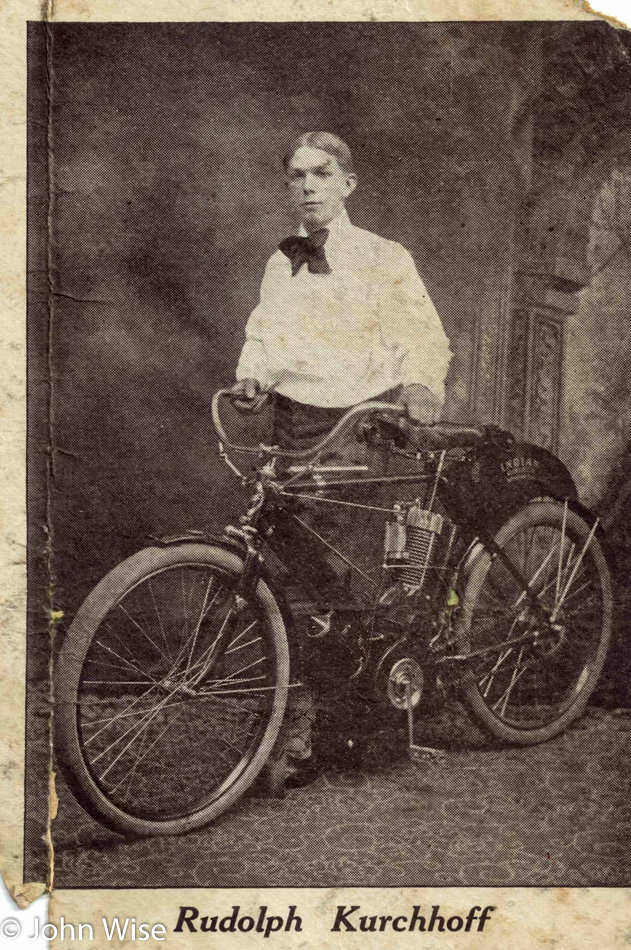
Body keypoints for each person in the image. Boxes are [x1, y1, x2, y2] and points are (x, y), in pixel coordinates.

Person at [230, 131, 452, 786]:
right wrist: (253, 374)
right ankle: (295, 722)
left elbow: (422, 333)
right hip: (292, 425)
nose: (307, 186)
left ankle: (356, 728)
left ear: (347, 183)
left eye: (321, 174)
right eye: (296, 175)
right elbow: (265, 333)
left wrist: (419, 384)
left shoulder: (385, 257)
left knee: (355, 578)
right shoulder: (281, 262)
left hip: (361, 425)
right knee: (292, 574)